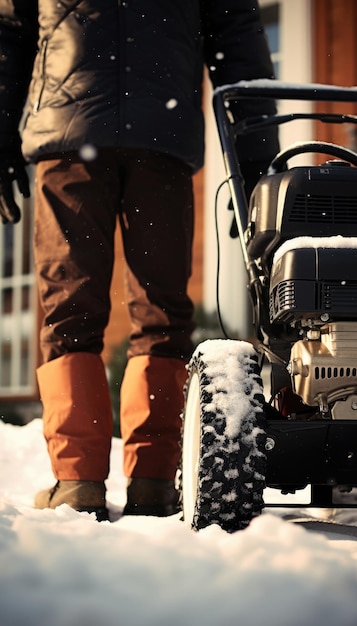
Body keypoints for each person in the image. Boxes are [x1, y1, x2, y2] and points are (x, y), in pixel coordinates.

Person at [0, 1, 278, 521]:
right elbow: (237, 39)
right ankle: (152, 478)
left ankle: (77, 479)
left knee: (69, 307)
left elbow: (10, 33)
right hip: (161, 130)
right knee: (160, 308)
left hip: (69, 125)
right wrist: (257, 159)